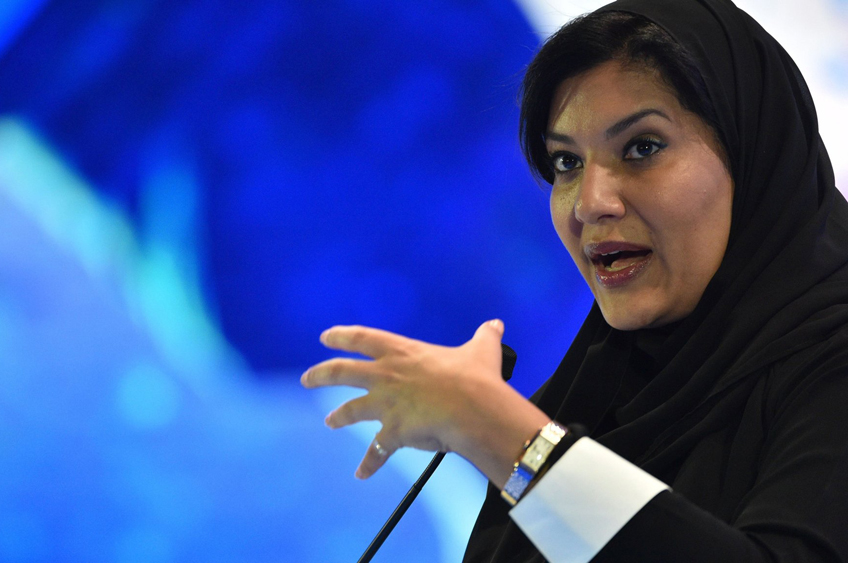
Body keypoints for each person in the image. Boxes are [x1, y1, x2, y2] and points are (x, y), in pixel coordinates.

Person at [300, 0, 848, 560]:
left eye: (642, 148)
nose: (589, 203)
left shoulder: (831, 363)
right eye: (566, 163)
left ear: (755, 152)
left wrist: (501, 434)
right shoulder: (589, 394)